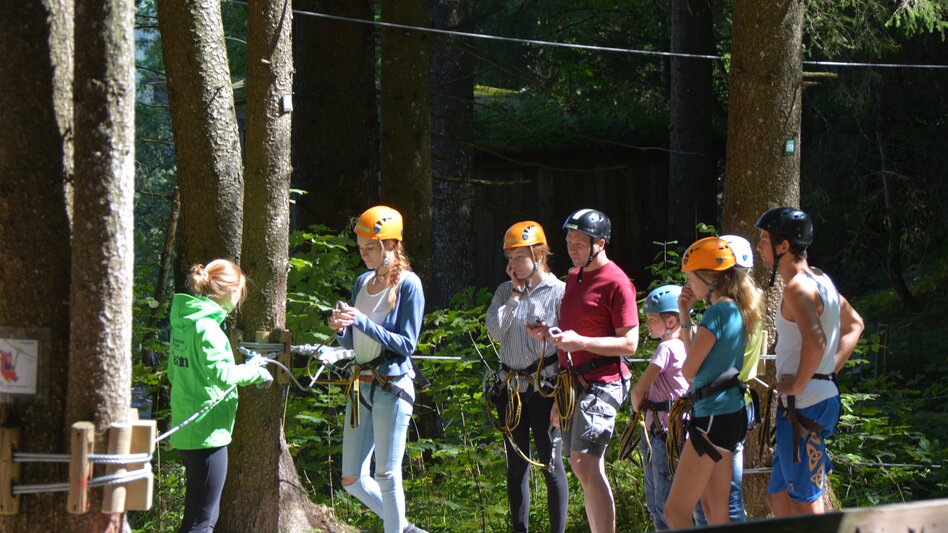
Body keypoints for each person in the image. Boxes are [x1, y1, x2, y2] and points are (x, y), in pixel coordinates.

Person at [529, 208, 639, 533]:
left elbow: (630, 344)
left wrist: (580, 341)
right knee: (586, 468)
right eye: (568, 240)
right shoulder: (575, 278)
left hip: (604, 380)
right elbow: (575, 333)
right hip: (573, 383)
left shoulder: (617, 283)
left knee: (583, 461)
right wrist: (552, 333)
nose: (571, 247)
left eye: (579, 242)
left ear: (600, 244)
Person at [756, 207, 864, 516]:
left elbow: (816, 341)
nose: (760, 247)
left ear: (784, 246)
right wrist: (827, 372)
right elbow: (855, 323)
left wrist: (800, 383)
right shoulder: (821, 280)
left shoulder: (797, 287)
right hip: (809, 402)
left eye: (765, 240)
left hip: (804, 407)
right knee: (778, 499)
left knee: (806, 504)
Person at [328, 205, 427, 533]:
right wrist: (341, 327)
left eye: (370, 248)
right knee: (352, 479)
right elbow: (351, 345)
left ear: (392, 244)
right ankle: (406, 528)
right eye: (360, 249)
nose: (364, 255)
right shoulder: (361, 282)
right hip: (360, 386)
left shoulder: (409, 285)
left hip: (392, 385)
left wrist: (364, 322)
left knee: (386, 474)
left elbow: (407, 344)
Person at [663, 237, 763, 528]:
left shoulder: (717, 313)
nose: (688, 285)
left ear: (708, 278)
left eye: (690, 278)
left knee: (675, 512)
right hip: (730, 416)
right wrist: (684, 317)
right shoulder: (737, 309)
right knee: (717, 513)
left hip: (711, 418)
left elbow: (689, 369)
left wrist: (688, 326)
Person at [168, 259, 273, 533]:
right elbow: (224, 375)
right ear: (230, 291)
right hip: (208, 434)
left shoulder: (185, 323)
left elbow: (173, 372)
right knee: (202, 522)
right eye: (239, 291)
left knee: (194, 517)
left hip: (188, 427)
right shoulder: (208, 329)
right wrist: (255, 371)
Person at [485, 221, 568, 533]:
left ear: (539, 255)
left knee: (550, 464)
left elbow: (567, 344)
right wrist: (516, 297)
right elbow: (495, 330)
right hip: (511, 388)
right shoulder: (504, 291)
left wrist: (562, 394)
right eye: (509, 258)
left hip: (545, 388)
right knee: (516, 464)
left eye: (519, 257)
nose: (513, 265)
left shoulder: (558, 292)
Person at [692, 234, 763, 525]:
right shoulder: (747, 310)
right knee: (714, 502)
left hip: (721, 405)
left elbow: (695, 368)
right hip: (733, 404)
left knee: (721, 502)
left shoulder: (725, 313)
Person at [629, 284, 688, 530]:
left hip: (659, 433)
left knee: (659, 502)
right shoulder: (686, 345)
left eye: (652, 319)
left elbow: (638, 390)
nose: (647, 324)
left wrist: (637, 411)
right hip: (677, 430)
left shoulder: (666, 348)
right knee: (672, 499)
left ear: (671, 319)